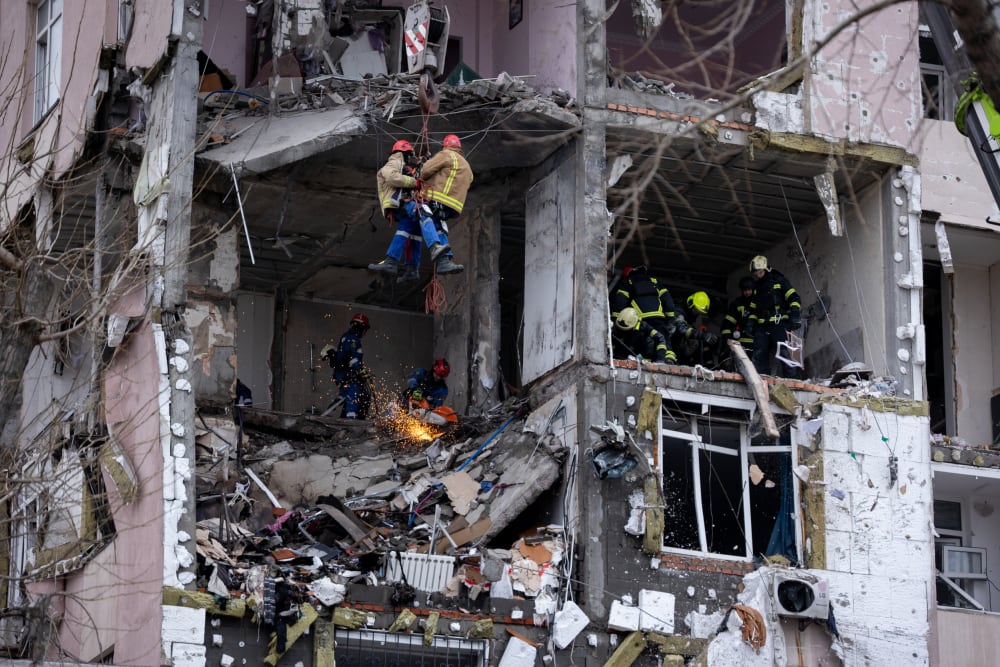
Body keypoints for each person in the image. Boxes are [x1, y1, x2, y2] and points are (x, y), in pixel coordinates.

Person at [414, 134, 473, 275]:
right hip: (453, 206)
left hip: (438, 198)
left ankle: (434, 246)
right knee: (438, 225)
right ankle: (444, 262)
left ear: (445, 145)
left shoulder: (446, 154)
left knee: (422, 212)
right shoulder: (467, 167)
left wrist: (420, 171)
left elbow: (425, 171)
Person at [369, 139, 423, 282]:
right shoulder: (394, 163)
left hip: (406, 203)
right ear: (403, 153)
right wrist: (414, 182)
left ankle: (408, 267)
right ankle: (399, 264)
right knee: (408, 230)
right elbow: (392, 178)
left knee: (411, 233)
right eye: (409, 154)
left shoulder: (403, 166)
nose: (410, 158)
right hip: (398, 203)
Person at [609, 265, 679, 363]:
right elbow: (667, 300)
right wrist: (670, 317)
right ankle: (668, 360)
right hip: (658, 317)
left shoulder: (627, 283)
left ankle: (638, 361)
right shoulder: (654, 281)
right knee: (664, 341)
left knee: (639, 342)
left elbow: (619, 302)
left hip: (639, 319)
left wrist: (616, 320)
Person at [747, 255, 802, 375]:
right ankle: (761, 380)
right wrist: (751, 322)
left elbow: (794, 298)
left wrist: (795, 314)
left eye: (760, 272)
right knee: (759, 353)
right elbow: (753, 309)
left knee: (785, 352)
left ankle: (792, 381)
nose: (758, 276)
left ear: (766, 269)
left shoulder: (779, 281)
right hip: (762, 325)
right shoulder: (757, 288)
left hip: (779, 322)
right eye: (756, 274)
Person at [321, 313, 372, 419]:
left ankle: (349, 420)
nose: (365, 332)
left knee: (357, 399)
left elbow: (351, 358)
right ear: (361, 327)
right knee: (355, 400)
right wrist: (361, 371)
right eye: (365, 330)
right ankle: (351, 422)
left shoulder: (348, 338)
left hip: (350, 379)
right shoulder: (352, 339)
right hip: (352, 379)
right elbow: (354, 358)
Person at [669, 291, 720, 367]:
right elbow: (683, 329)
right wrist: (703, 335)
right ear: (691, 304)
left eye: (699, 312)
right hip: (668, 345)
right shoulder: (679, 311)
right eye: (696, 310)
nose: (696, 314)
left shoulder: (688, 315)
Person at [720, 276, 756, 367]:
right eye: (745, 290)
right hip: (740, 343)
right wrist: (727, 341)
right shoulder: (737, 304)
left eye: (749, 289)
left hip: (756, 344)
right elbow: (727, 324)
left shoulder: (759, 302)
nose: (747, 292)